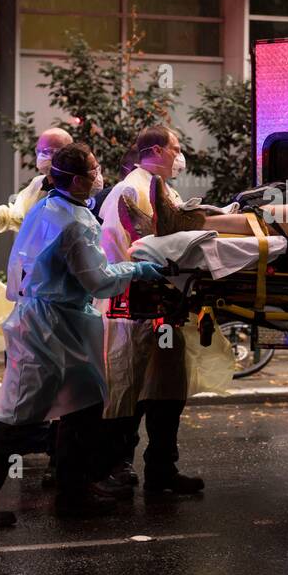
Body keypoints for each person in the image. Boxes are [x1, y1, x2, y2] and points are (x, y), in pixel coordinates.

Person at [0, 143, 165, 527]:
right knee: (17, 414)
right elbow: (99, 281)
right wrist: (136, 269)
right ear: (82, 179)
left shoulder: (47, 208)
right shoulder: (76, 222)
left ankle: (75, 490)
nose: (101, 175)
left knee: (83, 406)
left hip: (52, 321)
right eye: (96, 169)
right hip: (50, 327)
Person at [97, 125, 207, 495]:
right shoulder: (128, 191)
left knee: (166, 387)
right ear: (157, 150)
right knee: (128, 387)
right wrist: (140, 275)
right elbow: (115, 247)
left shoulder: (163, 190)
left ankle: (162, 468)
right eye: (176, 148)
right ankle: (116, 467)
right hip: (130, 305)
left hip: (163, 305)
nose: (180, 155)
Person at [0, 127, 73, 234]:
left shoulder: (77, 188)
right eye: (38, 151)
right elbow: (15, 217)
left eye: (48, 152)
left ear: (68, 154)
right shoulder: (38, 184)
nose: (41, 156)